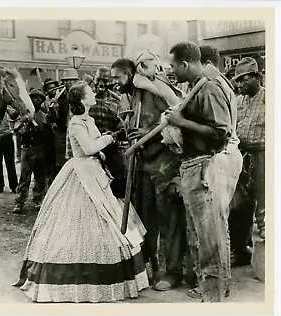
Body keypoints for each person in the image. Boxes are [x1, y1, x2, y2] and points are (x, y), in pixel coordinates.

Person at [13, 81, 149, 303]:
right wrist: (111, 137)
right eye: (90, 92)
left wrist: (106, 142)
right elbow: (88, 148)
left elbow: (95, 146)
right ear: (81, 99)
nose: (94, 93)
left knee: (107, 220)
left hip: (95, 170)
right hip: (81, 172)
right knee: (77, 223)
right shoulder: (76, 122)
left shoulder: (89, 119)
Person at [166, 41, 242, 302]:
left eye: (174, 66)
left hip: (206, 166)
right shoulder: (204, 85)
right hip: (202, 164)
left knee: (209, 241)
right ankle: (217, 292)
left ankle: (214, 300)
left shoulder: (209, 87)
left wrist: (180, 122)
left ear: (185, 64)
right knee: (213, 235)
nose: (172, 70)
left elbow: (221, 132)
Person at [112, 54, 187, 292]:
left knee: (169, 220)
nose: (115, 82)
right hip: (141, 165)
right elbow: (132, 127)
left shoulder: (154, 90)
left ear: (130, 74)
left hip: (163, 163)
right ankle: (151, 267)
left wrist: (146, 130)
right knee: (146, 219)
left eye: (118, 77)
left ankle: (173, 271)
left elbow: (174, 118)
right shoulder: (130, 96)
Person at [234, 57, 266, 240]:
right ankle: (244, 236)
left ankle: (264, 226)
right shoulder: (238, 101)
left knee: (263, 191)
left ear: (256, 77)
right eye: (238, 80)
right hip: (241, 154)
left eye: (244, 79)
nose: (240, 84)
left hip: (261, 152)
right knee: (244, 196)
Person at [88, 66, 127, 198]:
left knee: (113, 190)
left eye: (105, 80)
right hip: (91, 152)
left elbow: (124, 129)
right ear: (94, 80)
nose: (101, 84)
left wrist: (114, 135)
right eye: (98, 80)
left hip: (111, 152)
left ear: (111, 81)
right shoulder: (87, 100)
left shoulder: (118, 103)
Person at [13, 89, 49, 213]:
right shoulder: (24, 115)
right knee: (24, 177)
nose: (37, 100)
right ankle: (20, 201)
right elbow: (17, 130)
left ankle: (38, 200)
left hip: (41, 148)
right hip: (27, 149)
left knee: (40, 177)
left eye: (40, 98)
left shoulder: (45, 116)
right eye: (34, 98)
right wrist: (24, 124)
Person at [47, 68, 79, 175]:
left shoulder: (81, 95)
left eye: (72, 80)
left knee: (77, 160)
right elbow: (53, 119)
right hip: (62, 132)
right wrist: (52, 108)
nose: (69, 82)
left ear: (76, 81)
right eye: (66, 80)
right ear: (63, 82)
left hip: (77, 132)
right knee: (61, 162)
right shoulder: (59, 97)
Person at [0, 106, 19, 195]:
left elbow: (14, 115)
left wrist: (19, 107)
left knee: (10, 161)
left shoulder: (6, 106)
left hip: (7, 135)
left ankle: (14, 186)